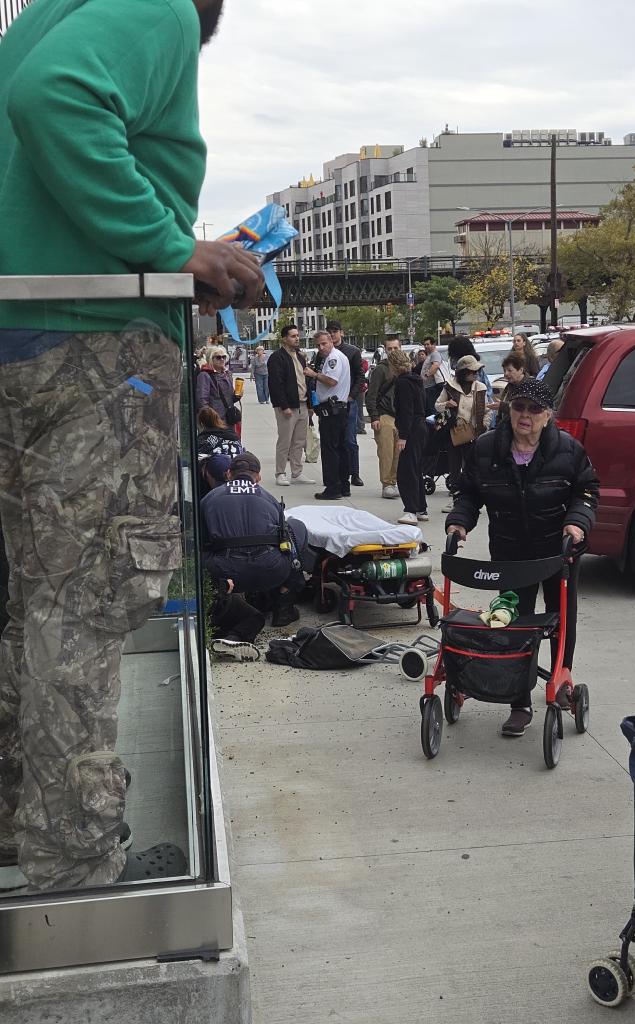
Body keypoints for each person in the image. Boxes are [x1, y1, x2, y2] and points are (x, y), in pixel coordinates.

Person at [0, 0, 265, 891]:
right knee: (79, 614)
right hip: (95, 357)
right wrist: (163, 248)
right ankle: (73, 867)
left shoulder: (42, 17)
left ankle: (19, 826)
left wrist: (175, 256)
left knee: (29, 608)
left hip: (24, 344)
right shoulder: (158, 6)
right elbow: (57, 97)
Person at [445, 379, 599, 738]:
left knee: (562, 619)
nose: (525, 416)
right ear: (508, 410)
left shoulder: (568, 450)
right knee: (513, 621)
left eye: (534, 409)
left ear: (547, 415)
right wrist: (459, 522)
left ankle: (562, 678)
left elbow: (588, 491)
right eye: (518, 407)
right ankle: (519, 700)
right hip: (511, 552)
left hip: (557, 550)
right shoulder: (486, 449)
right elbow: (468, 493)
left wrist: (577, 524)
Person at [201, 452, 309, 628]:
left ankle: (219, 603)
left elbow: (201, 542)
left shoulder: (210, 499)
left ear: (228, 474)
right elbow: (284, 538)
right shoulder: (269, 498)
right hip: (271, 572)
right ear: (258, 477)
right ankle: (284, 602)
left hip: (226, 574)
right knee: (296, 527)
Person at [435, 354, 491, 513]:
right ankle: (455, 499)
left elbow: (487, 410)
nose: (476, 374)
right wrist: (447, 404)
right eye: (473, 371)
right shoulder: (450, 386)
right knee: (454, 467)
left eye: (477, 371)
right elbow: (437, 406)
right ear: (463, 372)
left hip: (473, 433)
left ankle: (473, 500)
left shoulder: (480, 387)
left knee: (472, 468)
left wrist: (484, 425)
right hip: (453, 432)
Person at [304, 330, 351, 500]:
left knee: (331, 450)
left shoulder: (333, 358)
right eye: (318, 345)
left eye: (324, 343)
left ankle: (333, 488)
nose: (321, 347)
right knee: (340, 448)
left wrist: (314, 374)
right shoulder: (335, 356)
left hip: (333, 410)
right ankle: (343, 485)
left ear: (331, 341)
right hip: (336, 408)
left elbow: (332, 381)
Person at [267, 324, 313, 488]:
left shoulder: (300, 356)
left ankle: (297, 472)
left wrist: (309, 404)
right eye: (293, 336)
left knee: (299, 441)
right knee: (285, 441)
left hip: (302, 404)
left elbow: (305, 381)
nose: (296, 338)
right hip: (287, 407)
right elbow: (275, 384)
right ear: (284, 338)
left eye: (297, 335)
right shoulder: (276, 358)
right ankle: (280, 473)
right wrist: (283, 406)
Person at [389, 349, 429, 525]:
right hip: (420, 426)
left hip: (411, 429)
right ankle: (420, 508)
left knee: (406, 471)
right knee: (415, 469)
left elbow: (406, 411)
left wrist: (402, 436)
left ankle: (411, 509)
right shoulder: (416, 380)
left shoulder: (402, 383)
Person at [327, 319, 365, 488]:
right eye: (330, 332)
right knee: (334, 440)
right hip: (330, 403)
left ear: (341, 332)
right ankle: (337, 476)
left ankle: (354, 473)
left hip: (348, 401)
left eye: (335, 331)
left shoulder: (352, 352)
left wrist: (352, 395)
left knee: (350, 439)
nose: (332, 335)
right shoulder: (324, 352)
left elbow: (360, 376)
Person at [366, 336, 402, 499]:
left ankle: (393, 482)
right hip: (384, 414)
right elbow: (371, 395)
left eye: (396, 348)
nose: (393, 351)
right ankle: (387, 483)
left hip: (401, 415)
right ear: (385, 351)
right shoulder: (380, 370)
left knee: (398, 453)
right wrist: (374, 417)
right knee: (386, 451)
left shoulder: (405, 367)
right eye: (390, 349)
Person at [196, 344, 241, 429]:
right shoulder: (205, 375)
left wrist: (237, 396)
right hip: (214, 421)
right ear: (210, 359)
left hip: (229, 418)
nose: (222, 359)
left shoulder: (227, 374)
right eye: (218, 357)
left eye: (224, 357)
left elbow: (229, 399)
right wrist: (210, 419)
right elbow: (202, 401)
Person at [420, 336, 446, 415]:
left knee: (433, 410)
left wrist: (426, 375)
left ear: (434, 344)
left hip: (432, 387)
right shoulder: (430, 355)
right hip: (428, 387)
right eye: (425, 345)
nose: (426, 346)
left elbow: (436, 365)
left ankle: (435, 426)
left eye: (428, 344)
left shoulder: (435, 354)